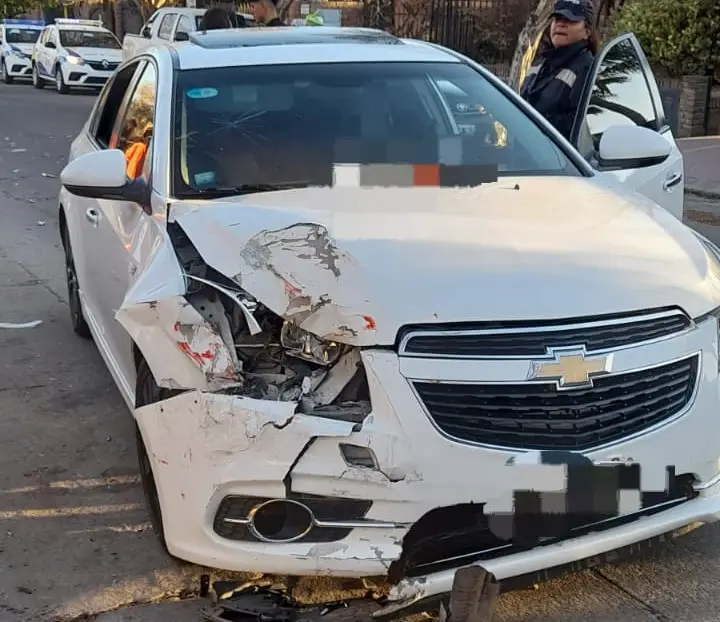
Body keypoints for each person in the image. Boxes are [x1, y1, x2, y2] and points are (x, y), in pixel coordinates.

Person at [520, 0, 599, 141]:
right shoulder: (540, 62)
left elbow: (580, 124)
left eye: (570, 20)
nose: (560, 24)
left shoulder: (587, 68)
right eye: (557, 18)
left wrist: (534, 122)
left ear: (587, 31)